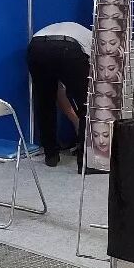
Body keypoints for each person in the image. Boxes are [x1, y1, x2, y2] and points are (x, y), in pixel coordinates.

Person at [27, 21, 92, 167]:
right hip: (67, 48)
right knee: (87, 104)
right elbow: (90, 91)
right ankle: (85, 161)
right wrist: (79, 122)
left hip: (36, 47)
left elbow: (59, 93)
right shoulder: (93, 43)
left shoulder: (78, 32)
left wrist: (75, 121)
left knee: (44, 103)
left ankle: (51, 156)